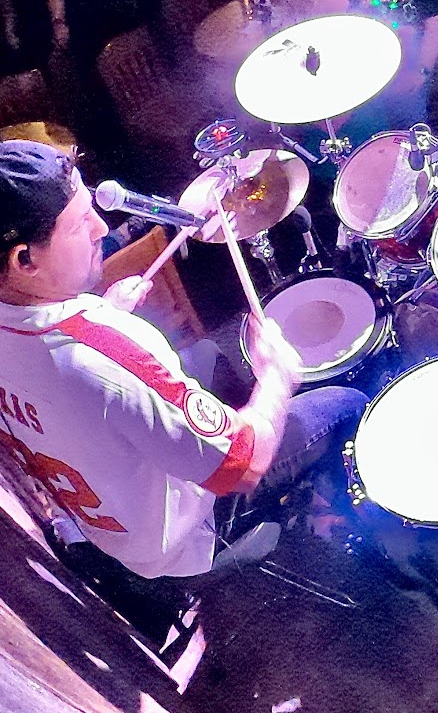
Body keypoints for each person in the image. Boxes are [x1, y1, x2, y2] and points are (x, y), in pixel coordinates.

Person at [0, 142, 366, 578]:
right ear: (25, 260)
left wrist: (104, 311)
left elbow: (53, 371)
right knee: (348, 403)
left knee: (206, 354)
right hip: (180, 542)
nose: (100, 227)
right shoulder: (104, 354)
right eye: (80, 223)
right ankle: (339, 532)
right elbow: (242, 466)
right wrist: (277, 378)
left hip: (101, 519)